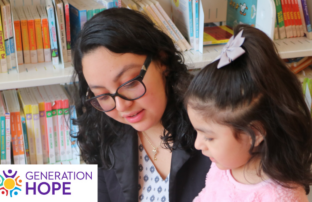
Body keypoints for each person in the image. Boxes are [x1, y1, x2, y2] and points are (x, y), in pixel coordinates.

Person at [72, 8, 210, 202]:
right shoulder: (104, 135)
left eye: (130, 83)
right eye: (102, 96)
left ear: (162, 61)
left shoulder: (214, 127)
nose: (121, 106)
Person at [185, 24, 312, 202]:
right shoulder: (223, 166)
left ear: (256, 132)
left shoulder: (281, 197)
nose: (198, 144)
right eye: (197, 132)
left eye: (209, 137)